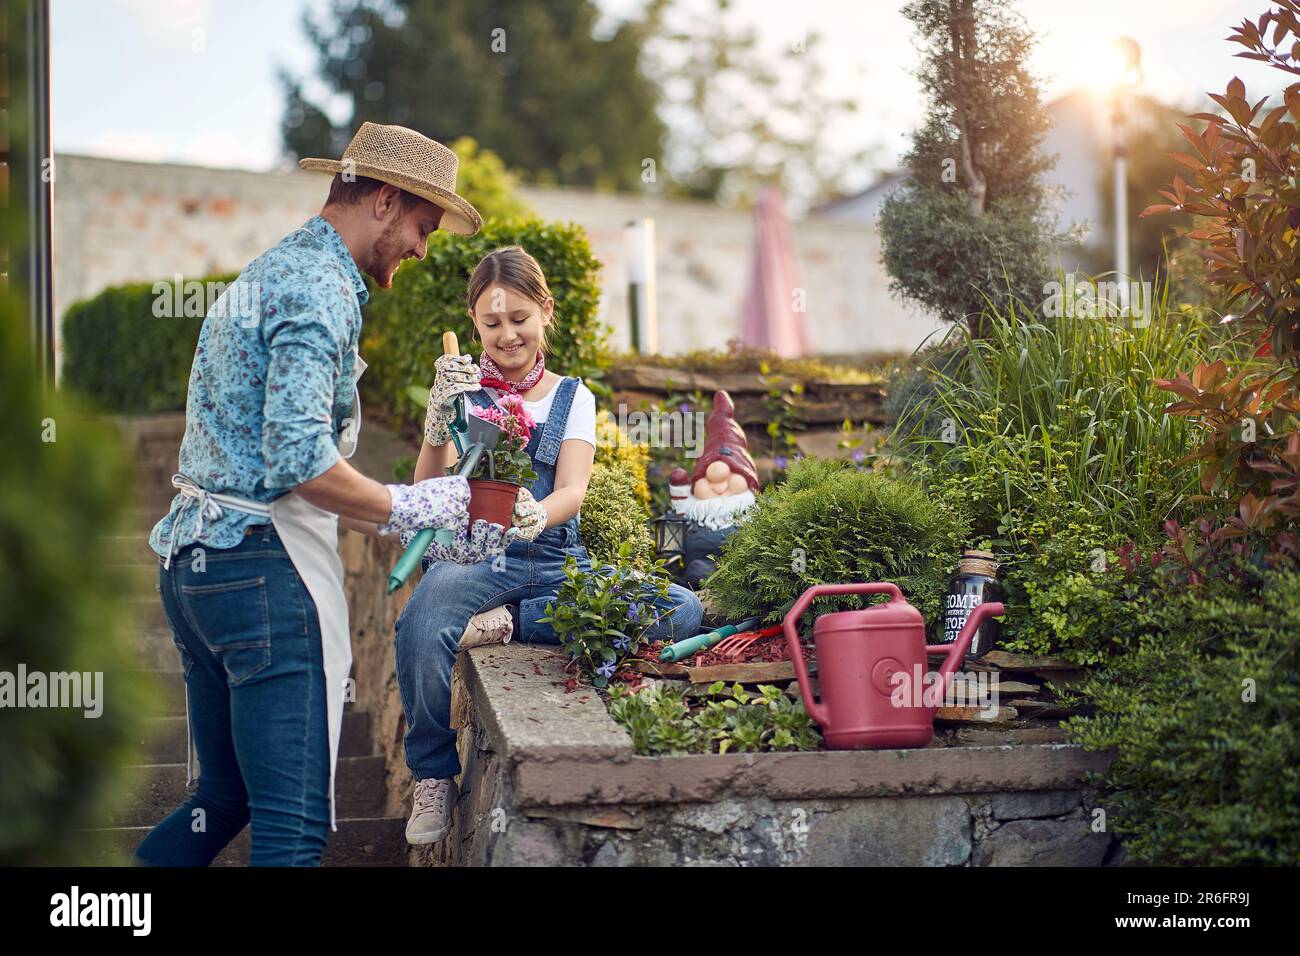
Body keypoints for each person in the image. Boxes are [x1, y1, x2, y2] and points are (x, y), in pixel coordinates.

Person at [136, 123, 534, 867]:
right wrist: (416, 504)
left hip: (192, 565)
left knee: (219, 802)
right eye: (422, 225)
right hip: (260, 570)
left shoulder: (272, 268)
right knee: (292, 834)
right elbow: (297, 463)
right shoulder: (321, 289)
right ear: (384, 201)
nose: (423, 247)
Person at [396, 245, 704, 846]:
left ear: (545, 313)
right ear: (475, 323)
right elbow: (426, 493)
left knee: (681, 609)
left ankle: (510, 623)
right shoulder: (465, 389)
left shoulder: (573, 397)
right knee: (421, 621)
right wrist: (438, 422)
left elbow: (573, 489)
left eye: (519, 320)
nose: (507, 335)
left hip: (559, 556)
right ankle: (432, 771)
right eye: (491, 323)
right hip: (484, 556)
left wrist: (539, 511)